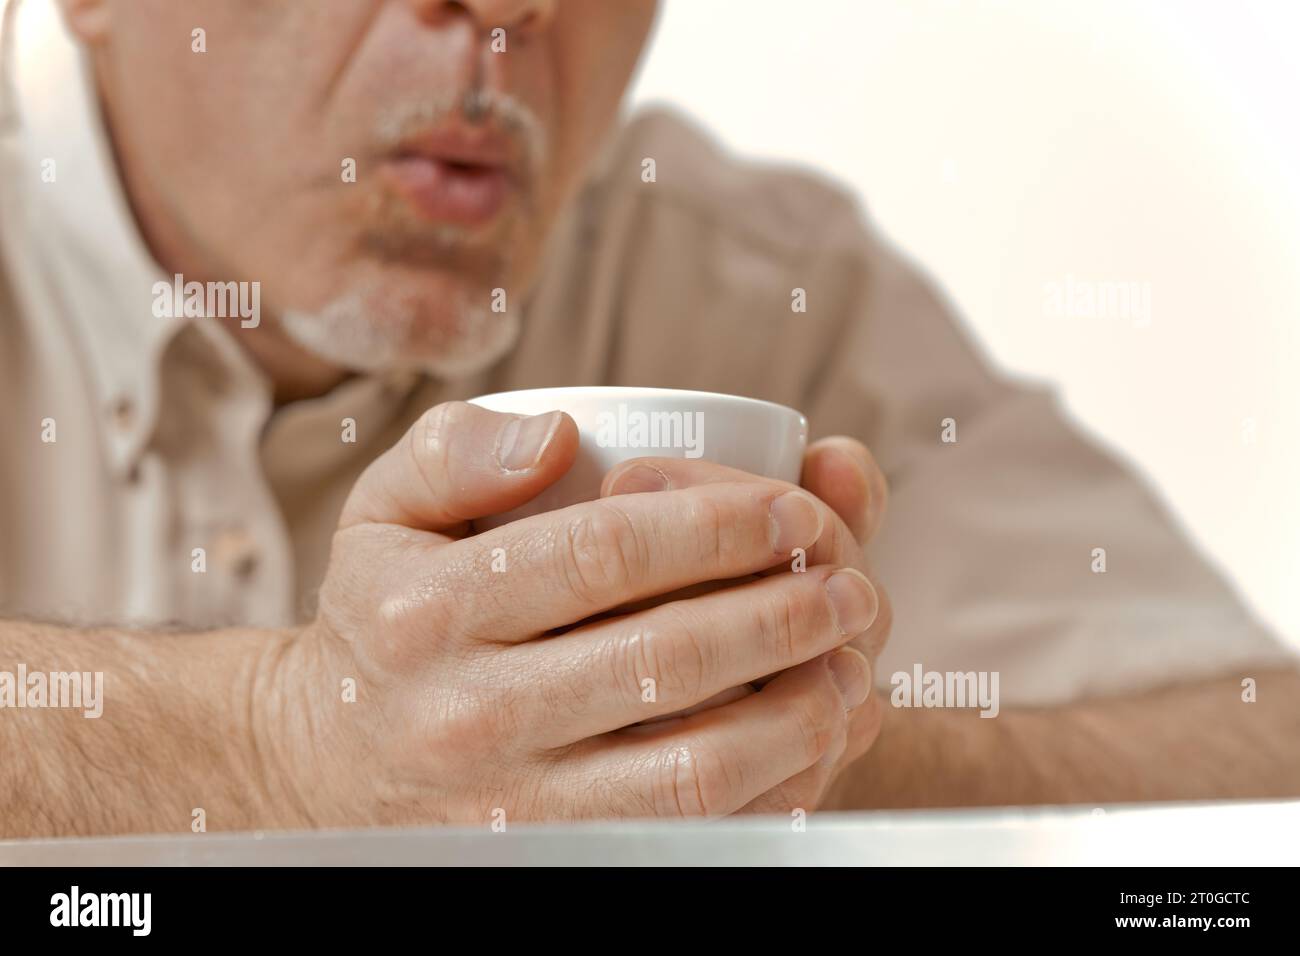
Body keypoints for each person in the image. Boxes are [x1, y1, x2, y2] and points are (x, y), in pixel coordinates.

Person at [0, 0, 1295, 838]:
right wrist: (288, 739)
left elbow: (1257, 742)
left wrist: (795, 755)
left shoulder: (756, 286)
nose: (509, 12)